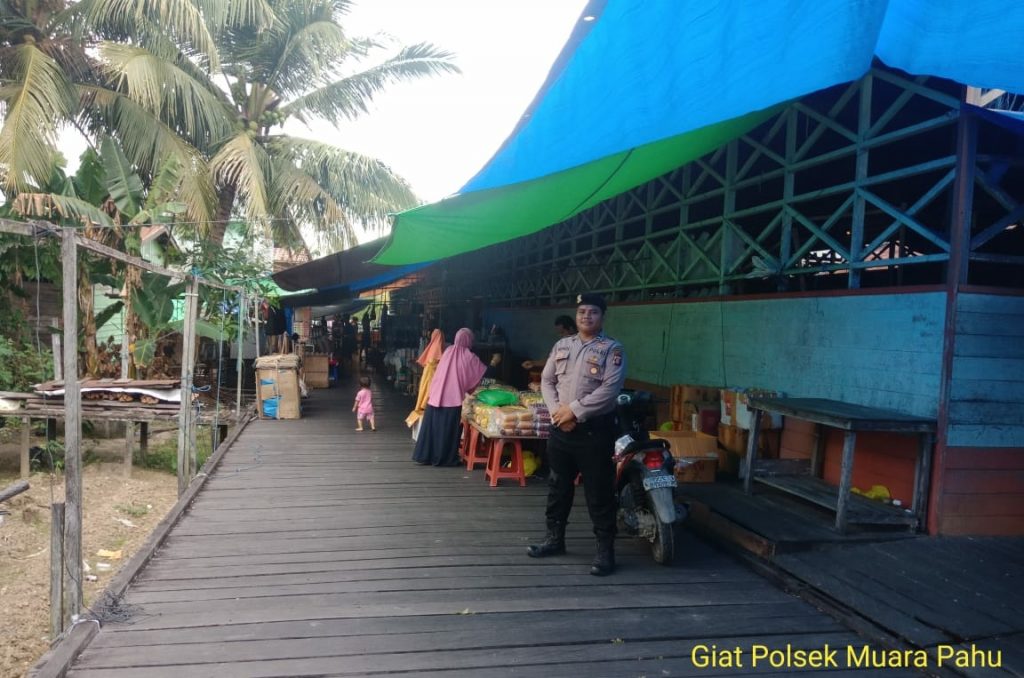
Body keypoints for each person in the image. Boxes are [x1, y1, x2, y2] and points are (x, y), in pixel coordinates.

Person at [527, 293, 626, 576]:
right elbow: (547, 381)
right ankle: (554, 539)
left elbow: (610, 389)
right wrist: (557, 413)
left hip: (594, 432)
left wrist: (574, 411)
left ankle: (605, 552)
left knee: (599, 492)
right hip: (561, 431)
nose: (586, 316)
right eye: (582, 312)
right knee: (558, 487)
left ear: (602, 316)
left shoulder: (612, 349)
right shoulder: (562, 345)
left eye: (592, 312)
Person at [412, 328, 488, 467]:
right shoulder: (469, 356)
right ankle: (444, 458)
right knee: (446, 430)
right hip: (452, 399)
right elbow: (479, 373)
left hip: (435, 395)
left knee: (432, 428)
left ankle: (425, 456)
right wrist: (493, 363)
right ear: (468, 340)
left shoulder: (448, 351)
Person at [405, 329, 445, 431]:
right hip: (431, 377)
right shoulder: (438, 348)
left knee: (425, 393)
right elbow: (436, 363)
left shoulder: (432, 347)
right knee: (429, 394)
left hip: (427, 376)